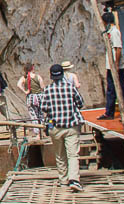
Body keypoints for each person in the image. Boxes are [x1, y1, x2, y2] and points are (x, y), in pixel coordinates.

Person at [41, 64, 85, 192]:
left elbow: (44, 107)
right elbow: (80, 103)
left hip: (55, 127)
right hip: (71, 126)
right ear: (62, 75)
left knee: (60, 155)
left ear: (51, 76)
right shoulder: (70, 88)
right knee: (72, 155)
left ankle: (63, 180)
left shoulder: (47, 90)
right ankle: (74, 180)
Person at [98, 11, 124, 120]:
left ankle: (119, 111)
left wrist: (116, 64)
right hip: (111, 66)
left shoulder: (114, 32)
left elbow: (118, 48)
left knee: (119, 89)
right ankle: (109, 112)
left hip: (115, 66)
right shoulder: (109, 31)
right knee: (112, 89)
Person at [17, 64, 45, 137]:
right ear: (32, 68)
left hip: (30, 97)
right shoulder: (37, 76)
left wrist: (25, 91)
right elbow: (42, 87)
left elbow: (19, 85)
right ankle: (42, 131)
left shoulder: (24, 77)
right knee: (40, 114)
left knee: (33, 115)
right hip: (39, 97)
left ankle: (37, 133)